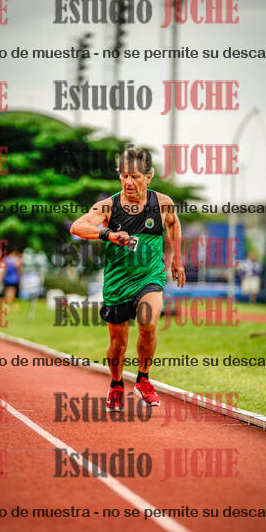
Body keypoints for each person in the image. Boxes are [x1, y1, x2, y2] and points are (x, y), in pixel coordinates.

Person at [70, 147, 185, 412]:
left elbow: (173, 223)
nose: (128, 182)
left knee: (148, 323)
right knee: (118, 344)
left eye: (134, 176)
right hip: (117, 283)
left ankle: (143, 380)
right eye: (124, 176)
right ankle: (116, 384)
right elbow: (78, 226)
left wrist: (177, 260)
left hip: (149, 276)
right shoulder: (108, 206)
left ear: (149, 177)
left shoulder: (162, 203)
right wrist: (108, 235)